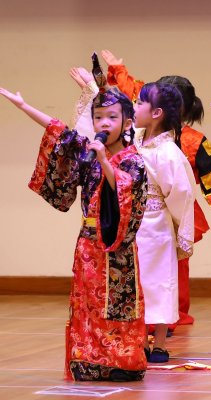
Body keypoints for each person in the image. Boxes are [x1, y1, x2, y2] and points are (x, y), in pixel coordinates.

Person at [0, 71, 147, 381]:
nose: (104, 123)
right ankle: (89, 361)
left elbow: (124, 191)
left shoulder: (132, 160)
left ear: (127, 123)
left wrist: (104, 160)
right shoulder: (89, 151)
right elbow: (60, 132)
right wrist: (24, 106)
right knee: (87, 304)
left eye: (111, 117)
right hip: (88, 244)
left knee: (116, 305)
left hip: (115, 248)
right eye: (98, 117)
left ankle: (122, 362)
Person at [101, 50, 211, 331]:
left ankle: (169, 318)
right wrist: (115, 71)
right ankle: (145, 321)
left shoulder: (184, 143)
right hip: (138, 211)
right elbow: (132, 95)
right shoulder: (142, 134)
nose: (137, 103)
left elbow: (200, 181)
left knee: (168, 269)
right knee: (145, 269)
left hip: (168, 211)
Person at [133, 82, 196, 362]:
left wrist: (178, 226)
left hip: (156, 226)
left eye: (139, 103)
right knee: (135, 283)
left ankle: (158, 343)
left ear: (156, 113)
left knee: (159, 282)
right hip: (131, 223)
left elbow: (181, 192)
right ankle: (136, 339)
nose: (134, 107)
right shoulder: (133, 139)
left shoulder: (168, 152)